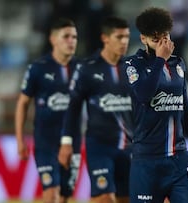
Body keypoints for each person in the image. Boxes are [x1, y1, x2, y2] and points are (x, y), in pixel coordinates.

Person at [123, 7, 188, 203]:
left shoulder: (179, 64)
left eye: (165, 36)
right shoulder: (132, 65)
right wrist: (160, 60)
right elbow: (144, 95)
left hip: (179, 159)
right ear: (143, 39)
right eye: (156, 39)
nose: (163, 43)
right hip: (147, 161)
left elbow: (184, 109)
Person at [58, 16, 131, 203]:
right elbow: (73, 107)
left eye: (126, 37)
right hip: (100, 146)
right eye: (119, 37)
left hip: (131, 148)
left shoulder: (134, 69)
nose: (124, 42)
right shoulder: (87, 69)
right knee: (104, 198)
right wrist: (66, 142)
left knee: (126, 199)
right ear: (105, 38)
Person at [15, 18, 81, 203]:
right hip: (46, 143)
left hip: (73, 142)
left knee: (64, 197)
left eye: (74, 37)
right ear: (53, 39)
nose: (71, 41)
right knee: (51, 195)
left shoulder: (81, 69)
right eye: (66, 36)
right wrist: (20, 140)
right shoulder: (38, 68)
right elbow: (23, 103)